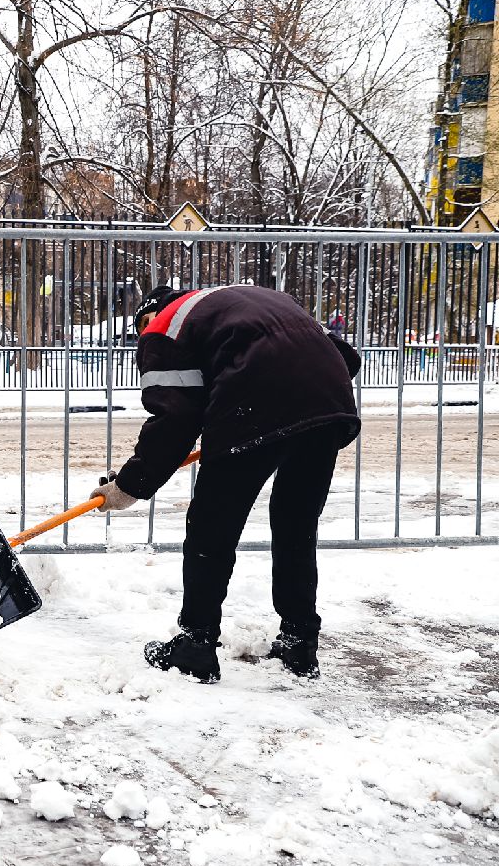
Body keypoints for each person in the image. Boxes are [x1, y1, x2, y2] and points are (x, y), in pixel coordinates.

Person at [90, 283, 362, 683]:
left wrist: (129, 486)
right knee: (296, 527)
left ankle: (196, 645)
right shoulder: (248, 301)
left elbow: (174, 421)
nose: (144, 337)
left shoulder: (165, 325)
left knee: (211, 530)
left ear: (149, 315)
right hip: (329, 405)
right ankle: (300, 642)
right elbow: (343, 356)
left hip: (253, 407)